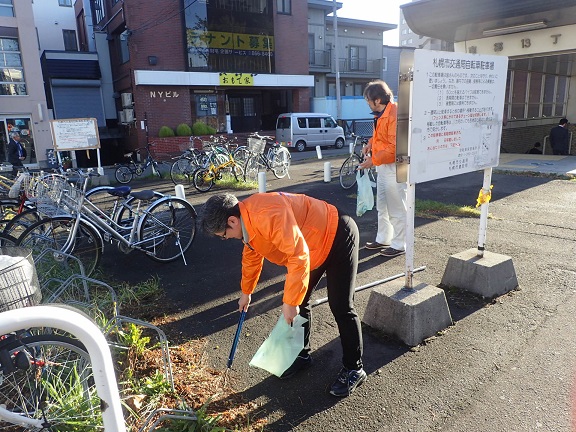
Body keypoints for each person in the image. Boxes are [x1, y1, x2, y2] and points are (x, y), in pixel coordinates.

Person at [200, 192, 366, 397]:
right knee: (300, 300)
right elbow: (252, 256)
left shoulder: (266, 214)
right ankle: (302, 354)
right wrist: (246, 292)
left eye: (223, 235)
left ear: (232, 220)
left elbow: (297, 254)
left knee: (340, 305)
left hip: (337, 233)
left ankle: (354, 368)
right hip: (311, 246)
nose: (226, 238)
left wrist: (289, 302)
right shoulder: (246, 222)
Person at [358, 79, 407, 257]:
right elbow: (379, 135)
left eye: (368, 100)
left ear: (377, 100)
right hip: (383, 165)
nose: (368, 103)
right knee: (383, 205)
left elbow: (395, 147)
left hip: (394, 166)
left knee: (396, 206)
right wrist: (370, 144)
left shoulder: (394, 114)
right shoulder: (382, 114)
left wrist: (373, 160)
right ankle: (384, 238)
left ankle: (400, 244)